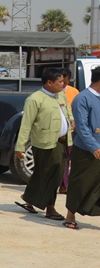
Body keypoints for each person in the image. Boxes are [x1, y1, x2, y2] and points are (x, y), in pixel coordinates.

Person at [14, 67, 73, 219]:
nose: (63, 84)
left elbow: (67, 111)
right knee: (52, 175)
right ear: (49, 82)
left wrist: (71, 120)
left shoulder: (60, 96)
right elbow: (26, 124)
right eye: (60, 82)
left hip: (62, 141)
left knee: (45, 173)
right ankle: (50, 208)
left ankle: (28, 197)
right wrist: (20, 146)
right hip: (44, 143)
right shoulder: (35, 99)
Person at [64, 65, 100, 229]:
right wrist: (94, 147)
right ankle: (70, 215)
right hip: (86, 151)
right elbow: (82, 127)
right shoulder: (82, 98)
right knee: (80, 183)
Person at [59, 67, 80, 195]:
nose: (63, 84)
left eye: (65, 82)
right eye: (61, 81)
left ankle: (64, 185)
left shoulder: (74, 92)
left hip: (70, 131)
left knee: (68, 158)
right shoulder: (54, 93)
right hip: (57, 131)